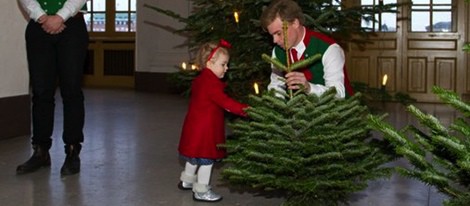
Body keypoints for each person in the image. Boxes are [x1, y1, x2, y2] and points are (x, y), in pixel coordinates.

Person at [17, 0, 89, 176]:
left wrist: (60, 16)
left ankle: (72, 152)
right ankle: (41, 151)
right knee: (41, 92)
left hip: (72, 25)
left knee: (71, 91)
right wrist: (41, 15)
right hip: (38, 26)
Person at [177, 39, 249, 202]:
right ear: (210, 63)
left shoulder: (201, 79)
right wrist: (247, 110)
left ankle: (187, 180)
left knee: (193, 156)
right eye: (223, 64)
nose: (226, 68)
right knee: (206, 159)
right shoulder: (211, 84)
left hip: (194, 127)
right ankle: (201, 190)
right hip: (205, 130)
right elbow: (227, 104)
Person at [260, 0, 354, 98]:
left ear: (295, 23)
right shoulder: (278, 52)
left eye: (279, 33)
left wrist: (309, 88)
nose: (275, 40)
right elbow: (276, 86)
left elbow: (338, 94)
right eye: (272, 35)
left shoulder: (329, 48)